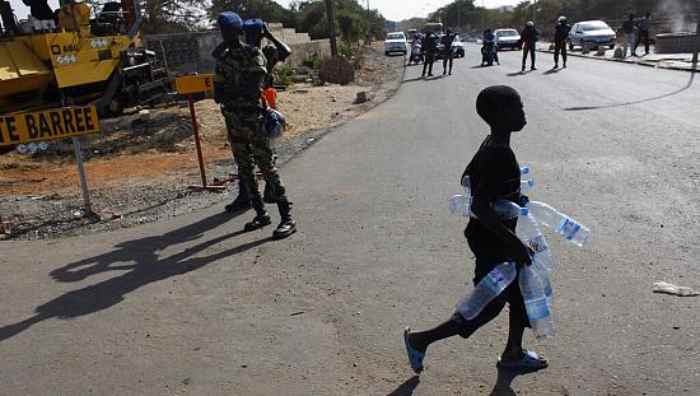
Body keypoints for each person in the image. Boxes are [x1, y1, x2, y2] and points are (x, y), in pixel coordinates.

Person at [403, 85, 548, 374]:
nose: (523, 112)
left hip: (494, 237)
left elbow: (469, 178)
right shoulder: (499, 154)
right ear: (498, 115)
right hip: (493, 241)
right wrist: (514, 243)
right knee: (487, 305)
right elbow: (481, 206)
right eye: (517, 107)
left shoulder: (492, 143)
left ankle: (513, 352)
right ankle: (421, 340)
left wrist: (511, 200)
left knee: (519, 292)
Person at [213, 12, 296, 239]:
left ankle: (287, 216)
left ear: (237, 32)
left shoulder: (254, 53)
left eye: (228, 31)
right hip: (234, 121)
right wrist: (233, 92)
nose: (225, 35)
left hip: (253, 120)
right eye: (222, 31)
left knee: (267, 168)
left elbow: (252, 87)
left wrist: (232, 91)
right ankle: (261, 214)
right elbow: (217, 93)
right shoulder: (224, 58)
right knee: (245, 170)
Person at [225, 19, 292, 213]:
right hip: (249, 110)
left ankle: (265, 194)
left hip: (261, 110)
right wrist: (268, 34)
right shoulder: (248, 52)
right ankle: (249, 195)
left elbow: (286, 52)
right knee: (248, 158)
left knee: (262, 155)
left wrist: (268, 36)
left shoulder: (263, 53)